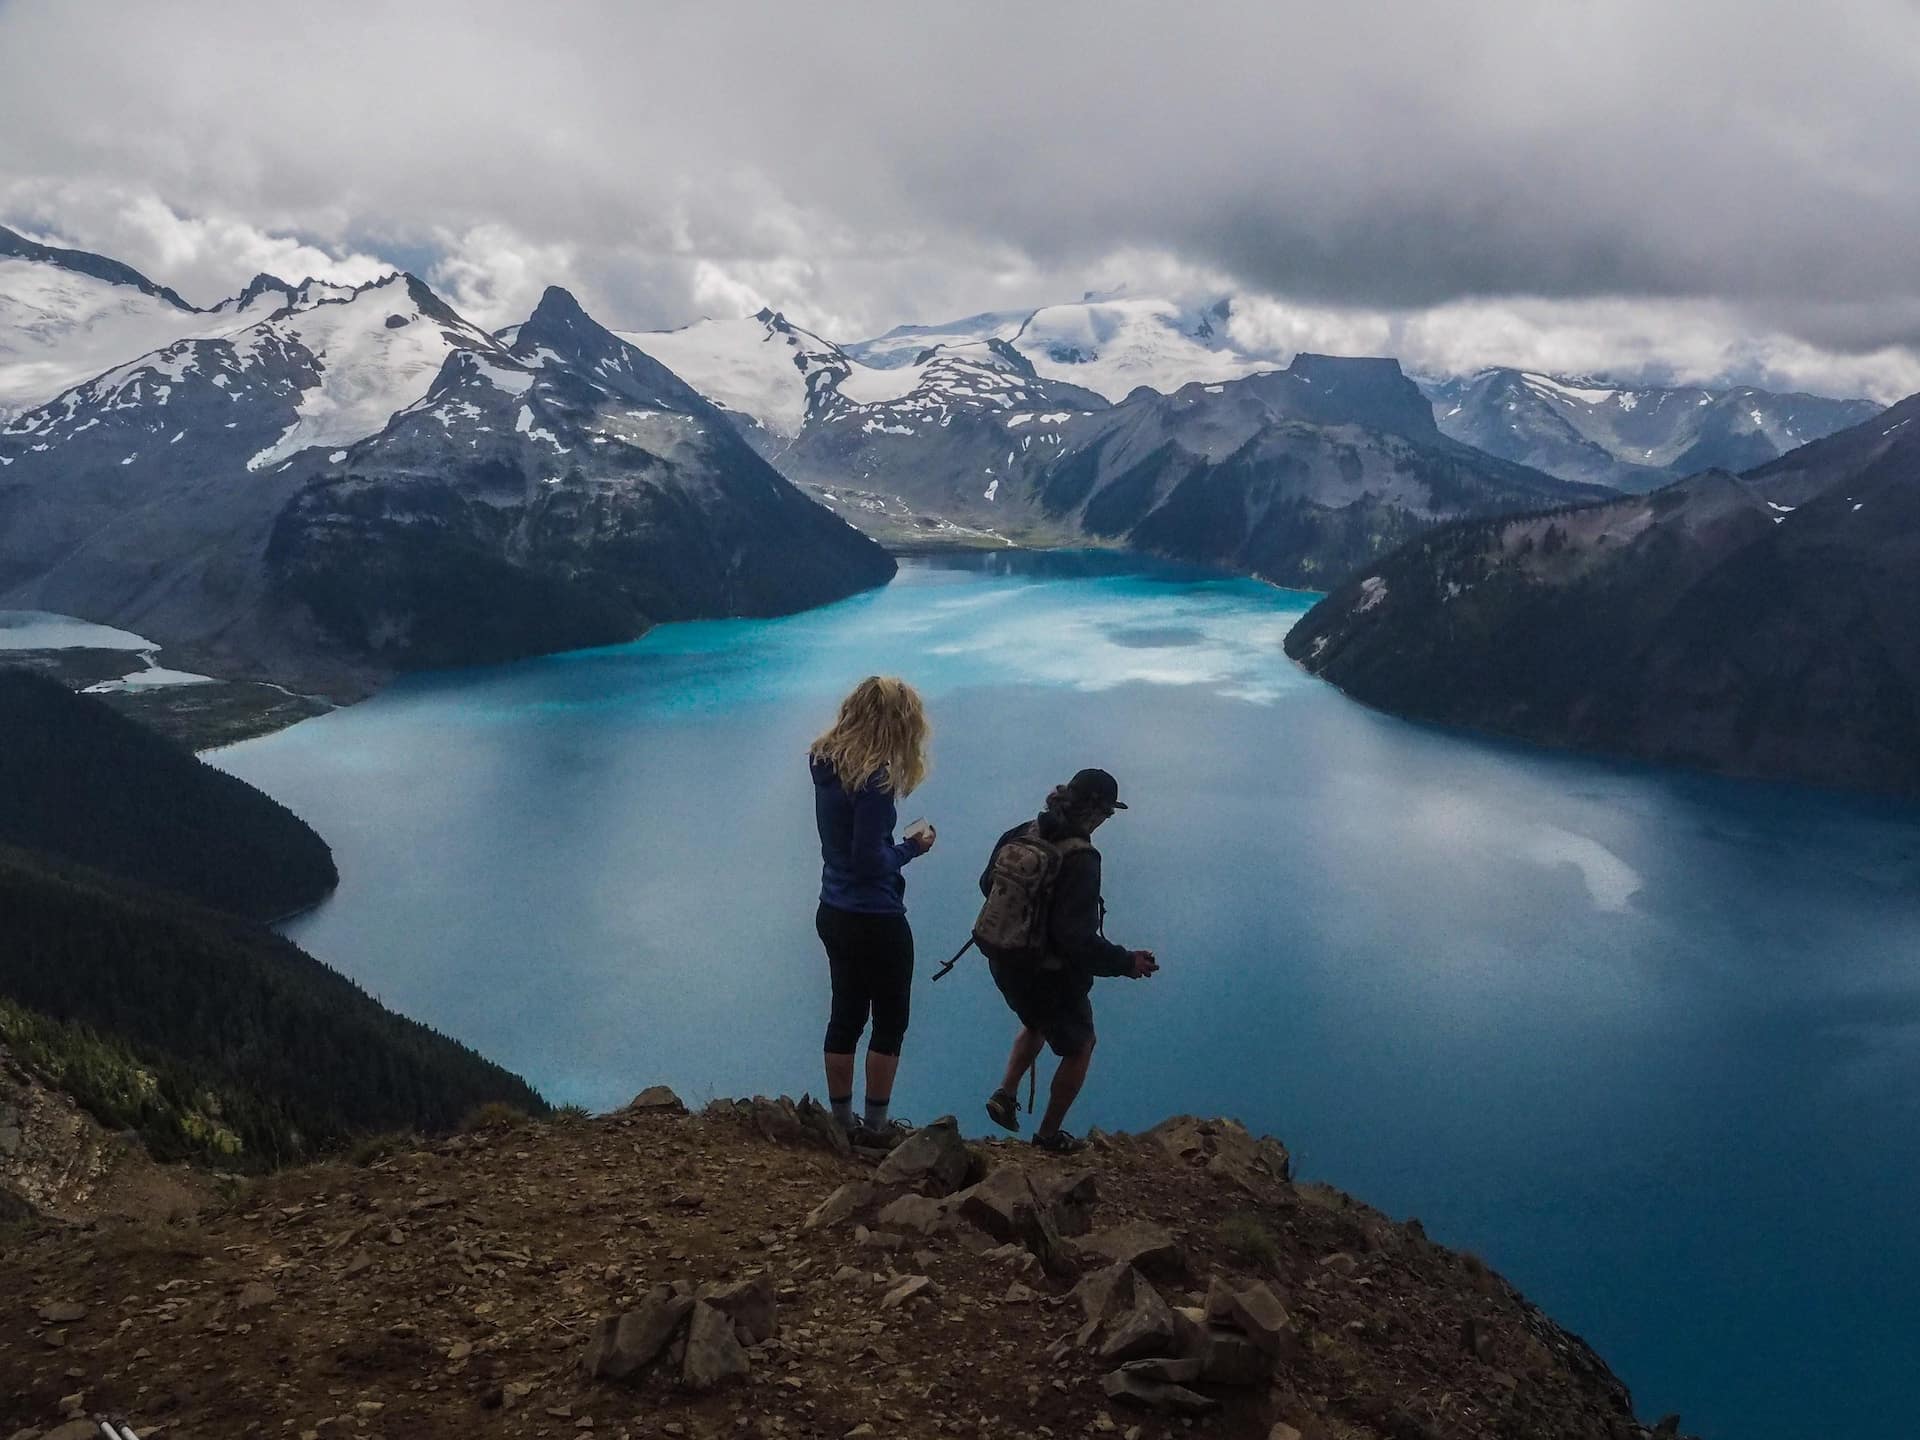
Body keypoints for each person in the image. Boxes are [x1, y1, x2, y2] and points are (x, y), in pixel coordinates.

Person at [978, 768, 1156, 1153]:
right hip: (1048, 975)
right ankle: (1047, 1137)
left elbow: (986, 884)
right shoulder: (1082, 858)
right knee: (1080, 1045)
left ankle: (1005, 1095)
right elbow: (1076, 940)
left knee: (1036, 1021)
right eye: (1108, 813)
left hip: (1004, 960)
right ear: (1094, 811)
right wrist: (1127, 962)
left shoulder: (1022, 832)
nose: (1106, 821)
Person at [809, 675, 935, 1149]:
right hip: (876, 918)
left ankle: (840, 1123)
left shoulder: (823, 760)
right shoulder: (876, 779)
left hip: (833, 910)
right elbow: (869, 860)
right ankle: (875, 1131)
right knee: (889, 1021)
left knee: (845, 1015)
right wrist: (912, 848)